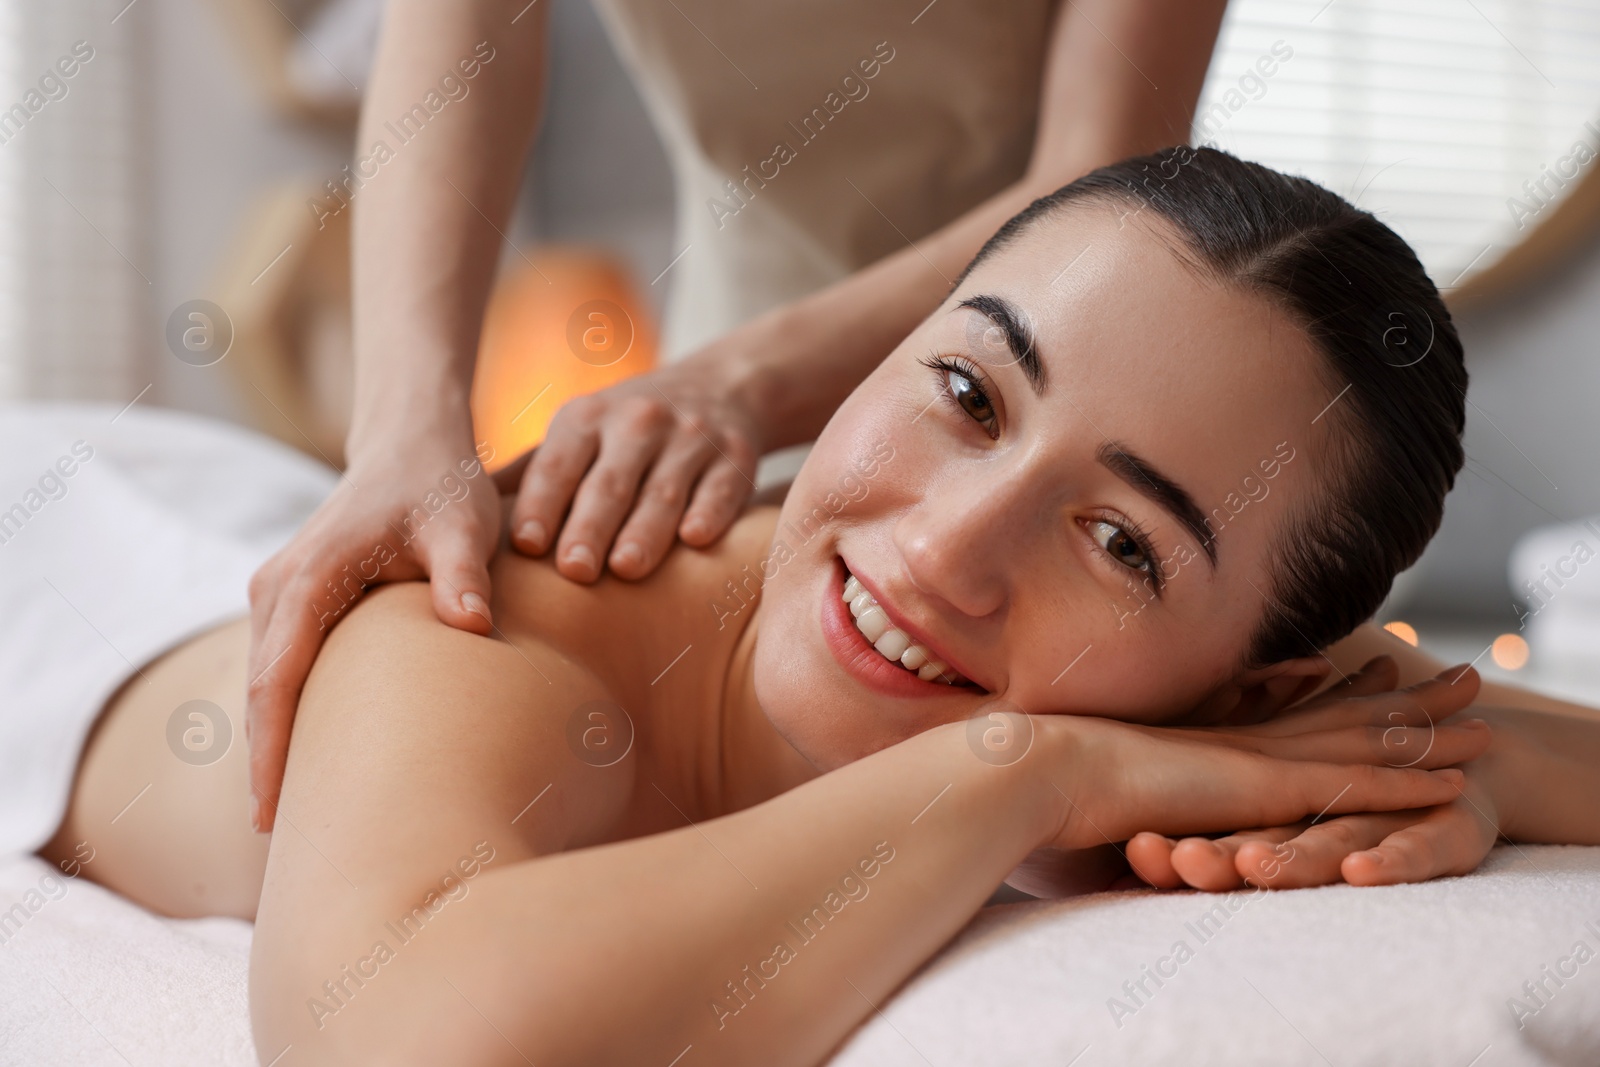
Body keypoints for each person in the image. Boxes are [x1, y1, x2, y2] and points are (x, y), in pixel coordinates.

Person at [38, 150, 1600, 1065]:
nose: (948, 545)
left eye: (1122, 543)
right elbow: (383, 1032)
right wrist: (1022, 771)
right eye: (969, 391)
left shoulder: (1248, 717)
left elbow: (1472, 729)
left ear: (1257, 690)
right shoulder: (506, 604)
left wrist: (1464, 767)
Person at [243, 0, 1236, 832]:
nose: (940, 551)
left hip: (1007, 359)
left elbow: (1096, 175)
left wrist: (752, 384)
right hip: (719, 381)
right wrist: (404, 426)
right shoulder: (493, 660)